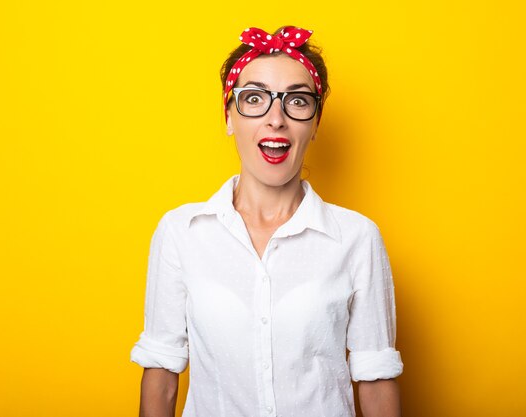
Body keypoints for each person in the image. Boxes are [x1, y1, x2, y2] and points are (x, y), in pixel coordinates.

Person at [131, 25, 403, 417]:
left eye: (296, 101)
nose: (276, 119)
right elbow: (162, 372)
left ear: (315, 123)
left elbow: (376, 379)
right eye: (255, 98)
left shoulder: (357, 238)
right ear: (228, 116)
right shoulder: (180, 233)